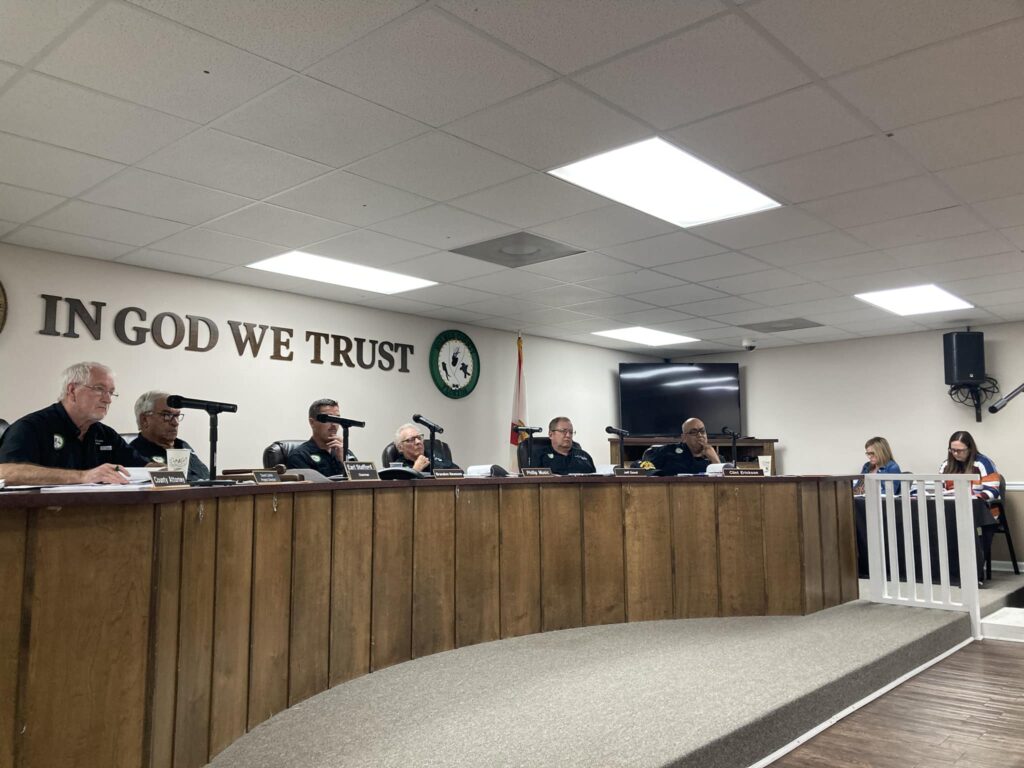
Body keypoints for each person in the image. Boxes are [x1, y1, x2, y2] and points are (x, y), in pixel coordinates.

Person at [0, 361, 148, 485]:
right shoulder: (30, 427)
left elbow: (144, 466)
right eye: (99, 389)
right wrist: (83, 477)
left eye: (111, 392)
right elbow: (5, 472)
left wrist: (168, 470)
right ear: (72, 390)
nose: (108, 399)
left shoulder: (105, 434)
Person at [129, 391, 210, 482]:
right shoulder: (134, 454)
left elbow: (205, 476)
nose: (175, 423)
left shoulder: (182, 445)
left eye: (177, 416)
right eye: (167, 415)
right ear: (145, 420)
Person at [286, 398, 357, 477]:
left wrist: (344, 460)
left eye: (337, 419)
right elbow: (309, 488)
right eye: (328, 419)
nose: (334, 424)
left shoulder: (344, 451)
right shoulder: (299, 456)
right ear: (312, 422)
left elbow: (362, 480)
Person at [642, 417, 720, 475]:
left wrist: (715, 461)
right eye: (693, 432)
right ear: (684, 437)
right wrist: (660, 477)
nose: (700, 435)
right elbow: (644, 464)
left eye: (702, 431)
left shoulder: (715, 457)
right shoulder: (668, 452)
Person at [940, 430, 1000, 501]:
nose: (955, 453)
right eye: (952, 450)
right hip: (951, 504)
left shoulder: (984, 463)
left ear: (970, 449)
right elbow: (941, 488)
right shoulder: (946, 465)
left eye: (960, 450)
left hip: (978, 504)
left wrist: (974, 498)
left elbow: (993, 490)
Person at [393, 423, 459, 473]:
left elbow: (458, 472)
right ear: (400, 447)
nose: (418, 442)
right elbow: (401, 489)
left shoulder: (433, 455)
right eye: (411, 439)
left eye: (419, 437)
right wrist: (416, 470)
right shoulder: (399, 467)